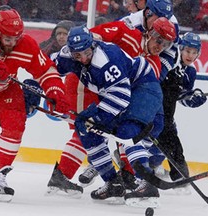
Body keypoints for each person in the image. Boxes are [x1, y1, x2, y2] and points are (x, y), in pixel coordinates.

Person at [0, 8, 69, 202]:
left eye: (17, 38)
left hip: (4, 91)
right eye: (8, 39)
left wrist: (55, 90)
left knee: (15, 124)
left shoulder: (26, 45)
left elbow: (46, 69)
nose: (13, 43)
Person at [53, 25, 163, 207]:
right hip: (118, 95)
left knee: (128, 130)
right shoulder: (69, 54)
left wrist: (96, 115)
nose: (83, 58)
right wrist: (34, 85)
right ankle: (113, 184)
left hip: (144, 87)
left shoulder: (106, 58)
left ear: (93, 46)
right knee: (88, 132)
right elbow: (46, 66)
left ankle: (147, 183)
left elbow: (121, 96)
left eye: (87, 52)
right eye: (77, 55)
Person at [155, 32, 207, 193]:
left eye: (194, 52)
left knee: (171, 140)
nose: (190, 55)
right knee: (166, 139)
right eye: (187, 51)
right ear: (180, 49)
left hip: (167, 115)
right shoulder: (168, 63)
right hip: (153, 110)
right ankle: (178, 176)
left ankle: (178, 176)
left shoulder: (190, 73)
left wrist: (192, 100)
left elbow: (181, 97)